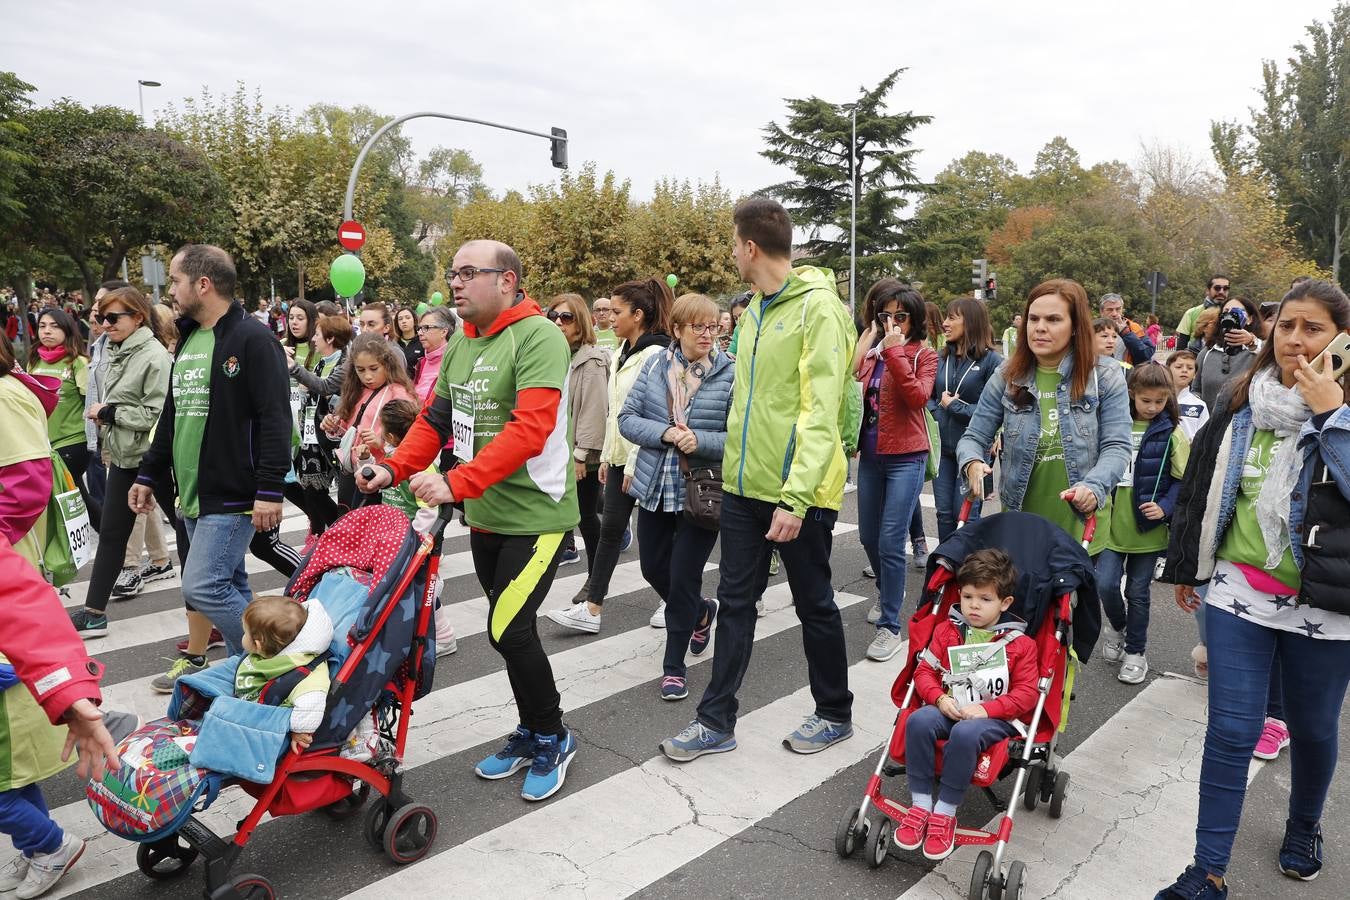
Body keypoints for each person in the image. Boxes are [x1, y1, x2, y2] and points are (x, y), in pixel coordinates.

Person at [357, 239, 580, 802]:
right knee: (510, 635)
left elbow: (530, 430)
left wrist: (456, 483)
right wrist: (393, 468)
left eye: (467, 273)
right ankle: (531, 730)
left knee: (509, 630)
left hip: (537, 515)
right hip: (486, 518)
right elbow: (433, 421)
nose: (454, 283)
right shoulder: (460, 345)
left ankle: (555, 735)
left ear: (506, 280)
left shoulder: (539, 337)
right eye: (452, 273)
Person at [1157, 279, 1350, 898]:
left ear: (1341, 338)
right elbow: (1206, 484)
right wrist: (1188, 565)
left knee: (1315, 729)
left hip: (1326, 605)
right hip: (1240, 588)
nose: (1296, 340)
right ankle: (1207, 870)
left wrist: (1332, 416)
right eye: (1287, 325)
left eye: (1314, 328)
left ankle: (1304, 824)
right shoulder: (1245, 397)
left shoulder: (1343, 410)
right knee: (1232, 730)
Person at [659, 197, 856, 761]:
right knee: (736, 601)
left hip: (798, 495)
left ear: (749, 247)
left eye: (733, 245)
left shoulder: (819, 310)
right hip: (743, 489)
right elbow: (747, 404)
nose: (733, 256)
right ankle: (715, 721)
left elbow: (822, 412)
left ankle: (834, 711)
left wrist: (794, 499)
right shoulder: (754, 312)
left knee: (814, 602)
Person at [130, 245, 291, 693]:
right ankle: (265, 676)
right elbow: (173, 414)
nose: (170, 291)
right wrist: (148, 473)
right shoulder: (188, 339)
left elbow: (276, 417)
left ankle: (264, 667)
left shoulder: (253, 339)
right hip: (191, 493)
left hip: (234, 491)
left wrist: (270, 489)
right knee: (232, 585)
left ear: (203, 284)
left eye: (177, 280)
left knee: (203, 585)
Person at [617, 293, 733, 700]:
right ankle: (702, 612)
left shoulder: (730, 374)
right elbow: (627, 420)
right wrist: (666, 433)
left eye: (713, 327)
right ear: (678, 329)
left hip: (702, 491)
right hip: (655, 485)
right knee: (653, 568)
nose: (707, 334)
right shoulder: (655, 366)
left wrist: (699, 439)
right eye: (697, 327)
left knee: (684, 577)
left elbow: (740, 438)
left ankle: (674, 665)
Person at [958, 279, 1132, 542]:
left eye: (1053, 319)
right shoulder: (1007, 376)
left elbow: (1117, 446)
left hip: (1081, 530)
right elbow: (973, 437)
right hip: (1019, 527)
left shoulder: (1105, 376)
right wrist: (971, 462)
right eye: (1033, 318)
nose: (1040, 328)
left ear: (1075, 326)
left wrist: (1093, 487)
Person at [892, 549, 1036, 862]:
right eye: (968, 596)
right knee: (918, 720)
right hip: (951, 705)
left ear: (1005, 603)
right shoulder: (947, 630)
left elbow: (1027, 694)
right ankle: (920, 806)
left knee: (966, 734)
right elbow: (924, 671)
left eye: (985, 599)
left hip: (993, 717)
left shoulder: (1021, 644)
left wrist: (987, 710)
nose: (973, 605)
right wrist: (939, 698)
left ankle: (944, 811)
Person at [548, 279, 671, 633]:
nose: (609, 317)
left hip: (647, 462)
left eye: (616, 312)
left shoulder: (656, 354)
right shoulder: (622, 351)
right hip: (617, 460)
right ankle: (592, 608)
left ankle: (675, 601)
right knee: (610, 532)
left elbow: (653, 415)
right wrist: (606, 457)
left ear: (638, 314)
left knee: (656, 545)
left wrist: (630, 461)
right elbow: (615, 411)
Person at [67, 287, 176, 639]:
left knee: (188, 531)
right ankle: (94, 612)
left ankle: (206, 611)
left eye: (113, 318)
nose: (104, 324)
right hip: (126, 454)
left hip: (157, 458)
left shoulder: (154, 356)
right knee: (113, 532)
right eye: (101, 318)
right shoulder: (113, 350)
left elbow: (158, 414)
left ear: (138, 317)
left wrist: (110, 413)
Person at [849, 280, 938, 663]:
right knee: (868, 536)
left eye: (899, 316)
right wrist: (869, 344)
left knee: (889, 540)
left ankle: (890, 624)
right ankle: (889, 593)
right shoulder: (873, 353)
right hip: (870, 457)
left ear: (913, 318)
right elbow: (851, 382)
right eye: (884, 316)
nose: (891, 323)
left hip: (907, 455)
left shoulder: (924, 355)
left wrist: (896, 352)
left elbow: (918, 397)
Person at [1092, 363, 1189, 685]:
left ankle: (1136, 652)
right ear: (1131, 394)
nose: (1152, 407)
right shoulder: (1109, 424)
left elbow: (1183, 479)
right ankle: (1117, 627)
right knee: (1104, 583)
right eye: (1145, 400)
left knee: (1138, 591)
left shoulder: (1173, 431)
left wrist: (1164, 508)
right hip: (1108, 523)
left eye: (1159, 402)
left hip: (1147, 529)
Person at [546, 294, 609, 570]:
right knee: (571, 513)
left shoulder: (591, 360)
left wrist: (580, 455)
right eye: (554, 316)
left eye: (566, 317)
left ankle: (596, 579)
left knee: (585, 516)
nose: (559, 322)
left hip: (581, 454)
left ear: (580, 323)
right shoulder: (555, 354)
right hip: (559, 449)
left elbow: (593, 410)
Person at [932, 297, 1001, 540]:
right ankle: (943, 568)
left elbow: (990, 413)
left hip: (972, 453)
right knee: (943, 514)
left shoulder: (992, 362)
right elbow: (930, 398)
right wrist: (938, 409)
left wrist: (955, 407)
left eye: (952, 318)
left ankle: (965, 571)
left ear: (970, 322)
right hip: (942, 450)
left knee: (965, 515)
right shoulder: (942, 357)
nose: (944, 323)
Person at [320, 333, 416, 508]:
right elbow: (349, 427)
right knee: (350, 523)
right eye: (360, 370)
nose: (367, 376)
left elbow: (411, 440)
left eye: (374, 368)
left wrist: (382, 442)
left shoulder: (399, 394)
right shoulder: (355, 391)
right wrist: (333, 425)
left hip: (382, 475)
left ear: (387, 364)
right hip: (352, 471)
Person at [28, 306, 98, 529]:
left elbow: (91, 401)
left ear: (67, 330)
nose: (46, 331)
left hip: (73, 441)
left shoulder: (77, 362)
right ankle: (106, 538)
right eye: (42, 326)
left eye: (54, 326)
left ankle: (107, 540)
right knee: (75, 496)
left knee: (61, 495)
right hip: (44, 443)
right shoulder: (34, 362)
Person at [236, 596, 332, 755]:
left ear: (258, 644)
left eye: (245, 633)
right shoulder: (274, 653)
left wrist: (300, 729)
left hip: (266, 727)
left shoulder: (305, 673)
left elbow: (312, 700)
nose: (243, 635)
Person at [286, 314, 350, 537]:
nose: (313, 339)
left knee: (326, 494)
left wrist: (294, 368)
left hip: (333, 436)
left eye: (317, 334)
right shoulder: (323, 361)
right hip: (311, 434)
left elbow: (325, 387)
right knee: (312, 490)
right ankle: (329, 534)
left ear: (330, 338)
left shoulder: (345, 364)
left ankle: (342, 535)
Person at [83, 280, 130, 519]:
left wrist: (108, 413)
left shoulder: (134, 348)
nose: (96, 306)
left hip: (126, 437)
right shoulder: (101, 344)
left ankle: (131, 559)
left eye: (101, 301)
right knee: (137, 500)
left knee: (129, 504)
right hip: (105, 432)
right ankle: (161, 557)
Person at [1193, 295, 1261, 411]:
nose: (1231, 314)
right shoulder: (1207, 352)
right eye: (1226, 311)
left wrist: (1252, 342)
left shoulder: (1258, 351)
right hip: (1211, 424)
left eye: (1237, 311)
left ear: (1250, 319)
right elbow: (1196, 390)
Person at [1176, 275, 1231, 351]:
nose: (1221, 292)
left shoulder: (1235, 313)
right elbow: (1181, 345)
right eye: (1217, 288)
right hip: (1196, 358)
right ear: (1207, 290)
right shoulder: (1191, 313)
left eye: (1226, 288)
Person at [1099, 293, 1155, 364]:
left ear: (1122, 310)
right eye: (1110, 310)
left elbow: (1147, 354)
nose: (1114, 314)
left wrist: (1126, 333)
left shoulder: (1134, 327)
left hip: (1128, 373)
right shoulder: (1093, 329)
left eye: (1118, 309)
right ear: (1101, 312)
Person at [1167, 349, 1210, 441]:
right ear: (1167, 370)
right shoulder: (1160, 401)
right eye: (1178, 367)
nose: (1184, 370)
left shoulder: (1200, 405)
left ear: (1195, 374)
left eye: (1190, 368)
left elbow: (1204, 437)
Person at [394, 306, 424, 375]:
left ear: (414, 320)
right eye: (400, 319)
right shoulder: (394, 344)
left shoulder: (423, 341)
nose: (404, 321)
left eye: (408, 317)